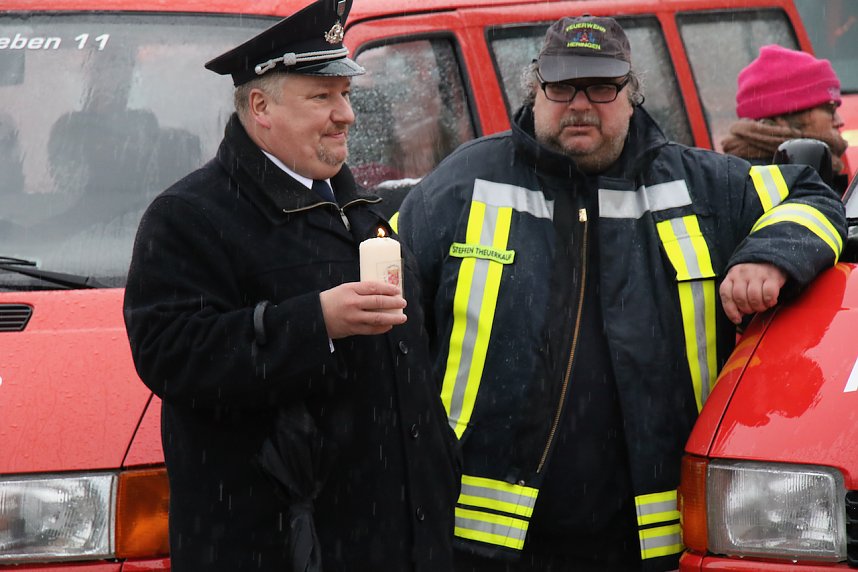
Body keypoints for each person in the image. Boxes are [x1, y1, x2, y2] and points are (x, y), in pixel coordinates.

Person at [396, 15, 846, 572]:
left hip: (648, 542)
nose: (579, 104)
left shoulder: (700, 186)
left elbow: (812, 195)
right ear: (535, 89)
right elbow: (388, 319)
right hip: (488, 542)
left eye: (601, 87)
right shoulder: (460, 186)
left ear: (632, 94)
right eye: (561, 87)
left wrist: (770, 254)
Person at [122, 1, 458, 570]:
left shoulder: (359, 212)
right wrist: (315, 323)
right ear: (261, 107)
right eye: (321, 97)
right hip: (278, 549)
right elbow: (170, 355)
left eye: (346, 96)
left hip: (395, 546)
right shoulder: (190, 216)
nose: (346, 114)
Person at [722, 44, 850, 193]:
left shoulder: (738, 176)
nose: (839, 121)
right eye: (830, 108)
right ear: (785, 117)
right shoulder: (759, 187)